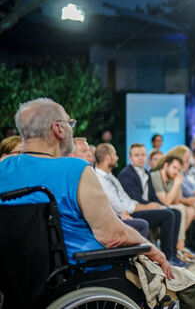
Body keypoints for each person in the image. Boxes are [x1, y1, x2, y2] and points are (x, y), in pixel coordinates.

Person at [0, 98, 173, 278]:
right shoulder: (75, 170)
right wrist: (153, 251)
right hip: (81, 273)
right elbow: (114, 236)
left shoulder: (3, 168)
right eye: (70, 123)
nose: (71, 128)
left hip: (19, 277)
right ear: (58, 129)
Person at [94, 143, 184, 267]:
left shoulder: (119, 176)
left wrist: (158, 205)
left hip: (133, 207)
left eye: (143, 155)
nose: (141, 158)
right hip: (131, 212)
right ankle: (167, 257)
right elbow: (128, 202)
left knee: (175, 212)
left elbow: (130, 199)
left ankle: (173, 254)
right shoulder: (126, 174)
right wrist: (150, 206)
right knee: (168, 214)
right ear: (130, 157)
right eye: (137, 155)